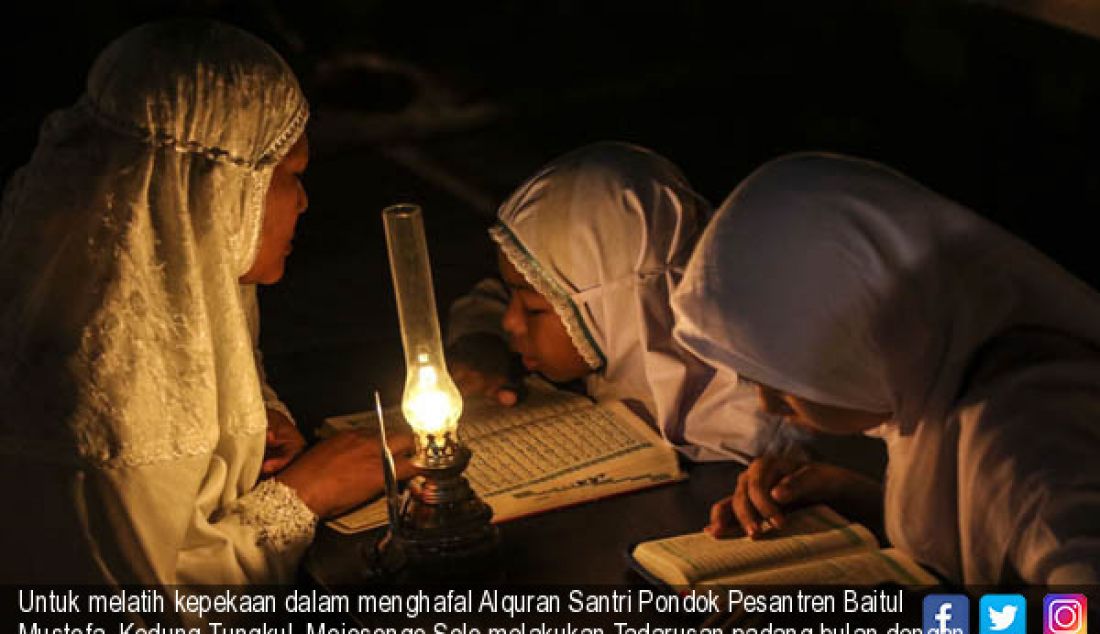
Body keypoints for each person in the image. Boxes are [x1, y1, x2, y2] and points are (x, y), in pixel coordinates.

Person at [0, 20, 410, 585]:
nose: (306, 200)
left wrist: (260, 420)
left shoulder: (167, 286)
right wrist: (304, 496)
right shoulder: (107, 376)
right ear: (215, 191)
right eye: (290, 174)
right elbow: (147, 605)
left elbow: (213, 375)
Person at [671, 152, 1100, 583]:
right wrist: (848, 495)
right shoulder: (941, 375)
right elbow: (984, 542)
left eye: (785, 379)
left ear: (866, 339)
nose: (768, 405)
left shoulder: (1029, 440)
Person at [448, 142, 799, 462]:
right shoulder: (616, 349)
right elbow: (487, 299)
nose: (511, 322)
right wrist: (481, 340)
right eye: (515, 300)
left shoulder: (755, 423)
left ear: (620, 309)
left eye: (535, 308)